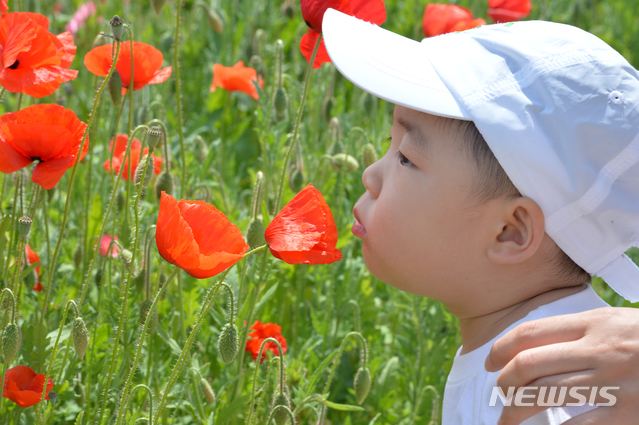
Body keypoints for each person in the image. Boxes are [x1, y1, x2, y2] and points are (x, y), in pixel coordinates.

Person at [321, 8, 639, 425]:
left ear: (509, 232)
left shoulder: (549, 387)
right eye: (388, 143)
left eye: (405, 158)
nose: (370, 174)